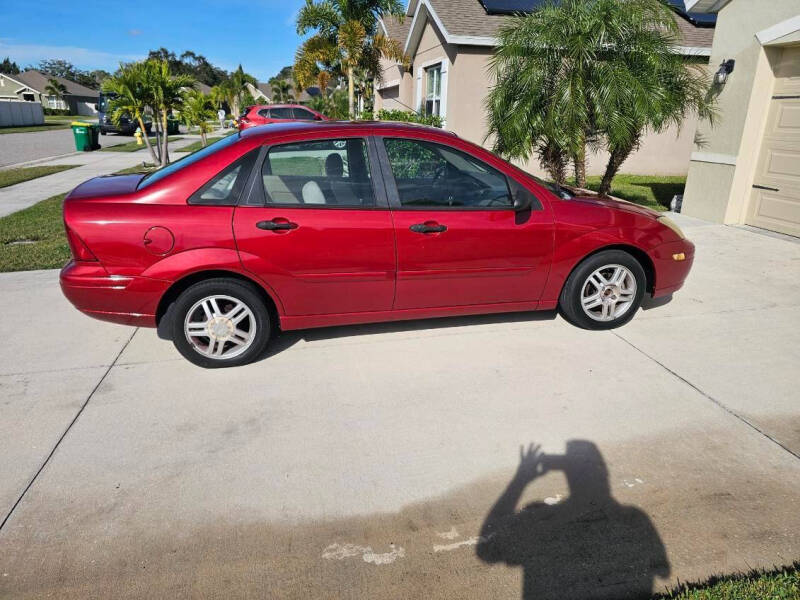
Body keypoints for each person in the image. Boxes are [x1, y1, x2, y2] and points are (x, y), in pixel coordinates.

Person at [477, 441, 670, 599]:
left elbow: (487, 548)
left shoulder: (543, 521)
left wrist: (520, 480)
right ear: (604, 474)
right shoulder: (635, 519)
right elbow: (663, 570)